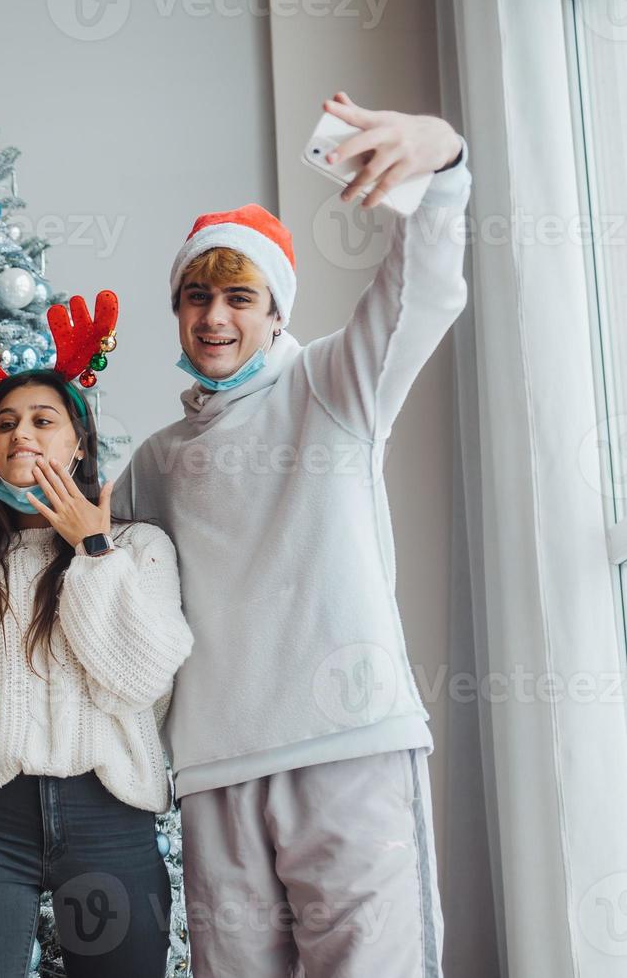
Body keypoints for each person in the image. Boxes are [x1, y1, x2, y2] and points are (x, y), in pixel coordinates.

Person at [110, 93, 470, 976]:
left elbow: (419, 291)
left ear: (276, 312)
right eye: (196, 296)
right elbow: (77, 561)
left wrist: (445, 165)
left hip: (348, 749)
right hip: (213, 776)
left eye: (239, 295)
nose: (215, 316)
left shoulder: (330, 388)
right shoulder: (155, 462)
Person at [0, 303, 194, 977]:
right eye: (5, 423)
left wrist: (90, 546)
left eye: (41, 420)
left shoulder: (138, 547)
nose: (20, 434)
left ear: (79, 443)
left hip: (108, 813)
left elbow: (141, 677)